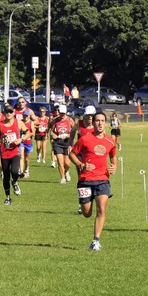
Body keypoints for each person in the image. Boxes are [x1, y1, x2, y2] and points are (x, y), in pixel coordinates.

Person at [69, 112, 117, 251]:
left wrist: (114, 166)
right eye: (97, 120)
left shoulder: (110, 141)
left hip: (102, 179)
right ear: (93, 123)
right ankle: (85, 209)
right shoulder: (85, 139)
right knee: (87, 213)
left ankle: (96, 241)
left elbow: (113, 155)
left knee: (101, 209)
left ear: (106, 123)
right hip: (85, 179)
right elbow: (72, 153)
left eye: (102, 120)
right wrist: (80, 164)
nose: (100, 123)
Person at [0, 105, 31, 205]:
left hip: (15, 152)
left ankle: (14, 182)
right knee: (5, 176)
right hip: (4, 153)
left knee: (14, 171)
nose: (9, 114)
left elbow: (28, 133)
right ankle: (8, 198)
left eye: (10, 112)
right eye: (7, 112)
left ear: (14, 113)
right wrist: (2, 140)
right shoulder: (0, 125)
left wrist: (21, 139)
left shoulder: (18, 123)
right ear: (4, 113)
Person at [50, 105, 74, 184]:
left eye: (64, 113)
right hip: (58, 143)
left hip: (67, 143)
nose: (62, 115)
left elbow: (74, 131)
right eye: (61, 113)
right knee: (60, 162)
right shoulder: (55, 121)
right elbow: (52, 131)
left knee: (67, 163)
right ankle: (62, 178)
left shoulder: (70, 120)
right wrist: (54, 135)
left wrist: (68, 135)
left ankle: (66, 171)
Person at [19, 110, 34, 178]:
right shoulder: (20, 122)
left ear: (29, 116)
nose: (25, 117)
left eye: (27, 116)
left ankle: (26, 169)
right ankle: (21, 171)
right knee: (21, 156)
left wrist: (27, 134)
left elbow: (33, 134)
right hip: (21, 142)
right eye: (24, 115)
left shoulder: (31, 123)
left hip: (28, 142)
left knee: (27, 158)